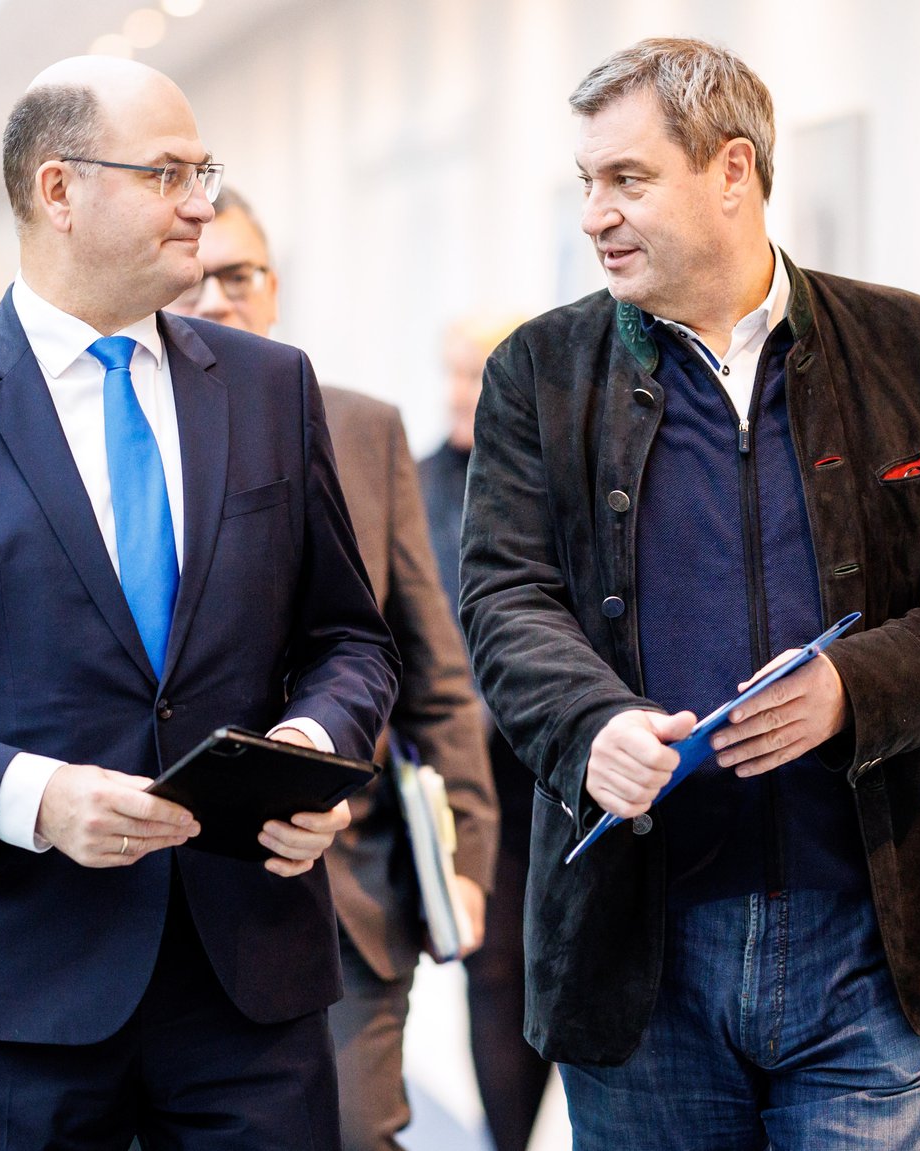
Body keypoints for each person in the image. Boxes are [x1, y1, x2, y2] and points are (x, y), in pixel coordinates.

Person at [0, 56, 397, 1150]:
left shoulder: (269, 384)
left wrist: (310, 740)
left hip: (251, 980)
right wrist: (35, 797)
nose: (201, 200)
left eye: (204, 170)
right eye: (166, 173)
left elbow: (348, 637)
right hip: (15, 990)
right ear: (57, 190)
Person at [458, 39, 920, 1149]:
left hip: (875, 944)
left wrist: (848, 686)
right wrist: (591, 725)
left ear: (731, 170)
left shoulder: (907, 346)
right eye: (587, 183)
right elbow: (501, 599)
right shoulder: (537, 374)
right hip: (639, 957)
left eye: (626, 180)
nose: (594, 215)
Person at [168, 187, 499, 1151]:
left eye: (240, 275)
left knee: (353, 1133)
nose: (220, 298)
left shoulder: (360, 427)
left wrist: (466, 857)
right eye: (196, 279)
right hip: (170, 881)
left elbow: (432, 666)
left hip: (347, 889)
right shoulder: (124, 443)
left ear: (274, 288)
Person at [418, 315, 555, 1151]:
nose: (463, 395)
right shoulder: (419, 476)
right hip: (468, 775)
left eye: (480, 376)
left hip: (549, 773)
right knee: (493, 967)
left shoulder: (550, 481)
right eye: (454, 374)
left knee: (559, 969)